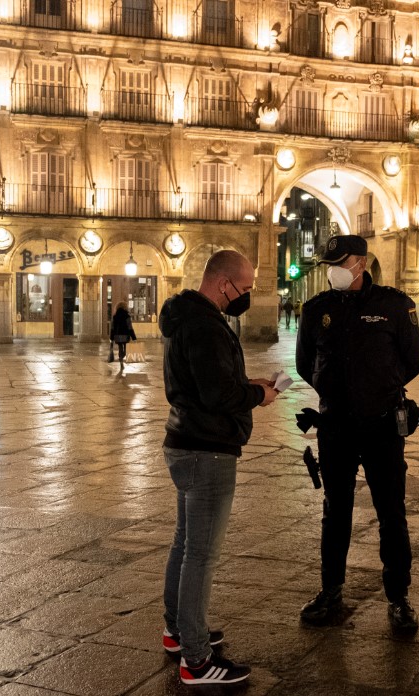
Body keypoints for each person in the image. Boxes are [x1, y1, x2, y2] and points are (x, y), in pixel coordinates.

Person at [296, 234, 419, 633]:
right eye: (330, 263)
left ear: (362, 262)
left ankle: (399, 597)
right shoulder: (316, 309)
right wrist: (337, 393)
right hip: (335, 426)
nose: (334, 269)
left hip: (383, 426)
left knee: (392, 513)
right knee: (335, 512)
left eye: (342, 261)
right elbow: (305, 364)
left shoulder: (393, 305)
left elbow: (416, 359)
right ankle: (331, 590)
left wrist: (380, 389)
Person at [159, 250, 279, 685]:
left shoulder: (184, 318)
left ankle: (177, 631)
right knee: (200, 556)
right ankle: (196, 660)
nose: (245, 295)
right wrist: (256, 398)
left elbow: (203, 380)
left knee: (184, 544)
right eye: (243, 288)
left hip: (184, 440)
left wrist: (247, 383)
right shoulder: (206, 325)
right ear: (223, 282)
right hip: (207, 448)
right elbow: (215, 395)